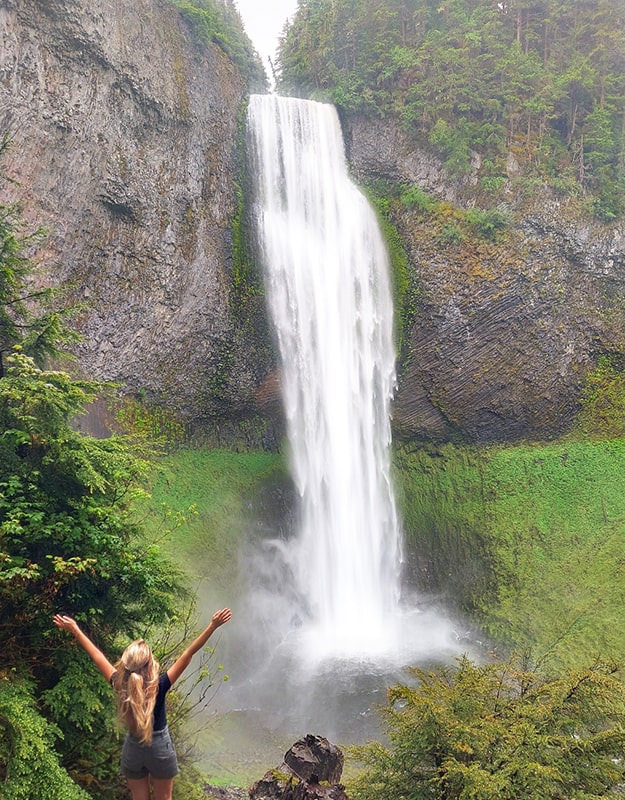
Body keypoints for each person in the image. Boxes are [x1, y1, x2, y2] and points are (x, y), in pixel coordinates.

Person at [53, 608, 232, 800]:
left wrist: (76, 630)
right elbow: (188, 653)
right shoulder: (159, 685)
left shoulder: (119, 683)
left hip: (133, 750)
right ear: (149, 665)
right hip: (160, 749)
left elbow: (97, 657)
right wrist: (213, 625)